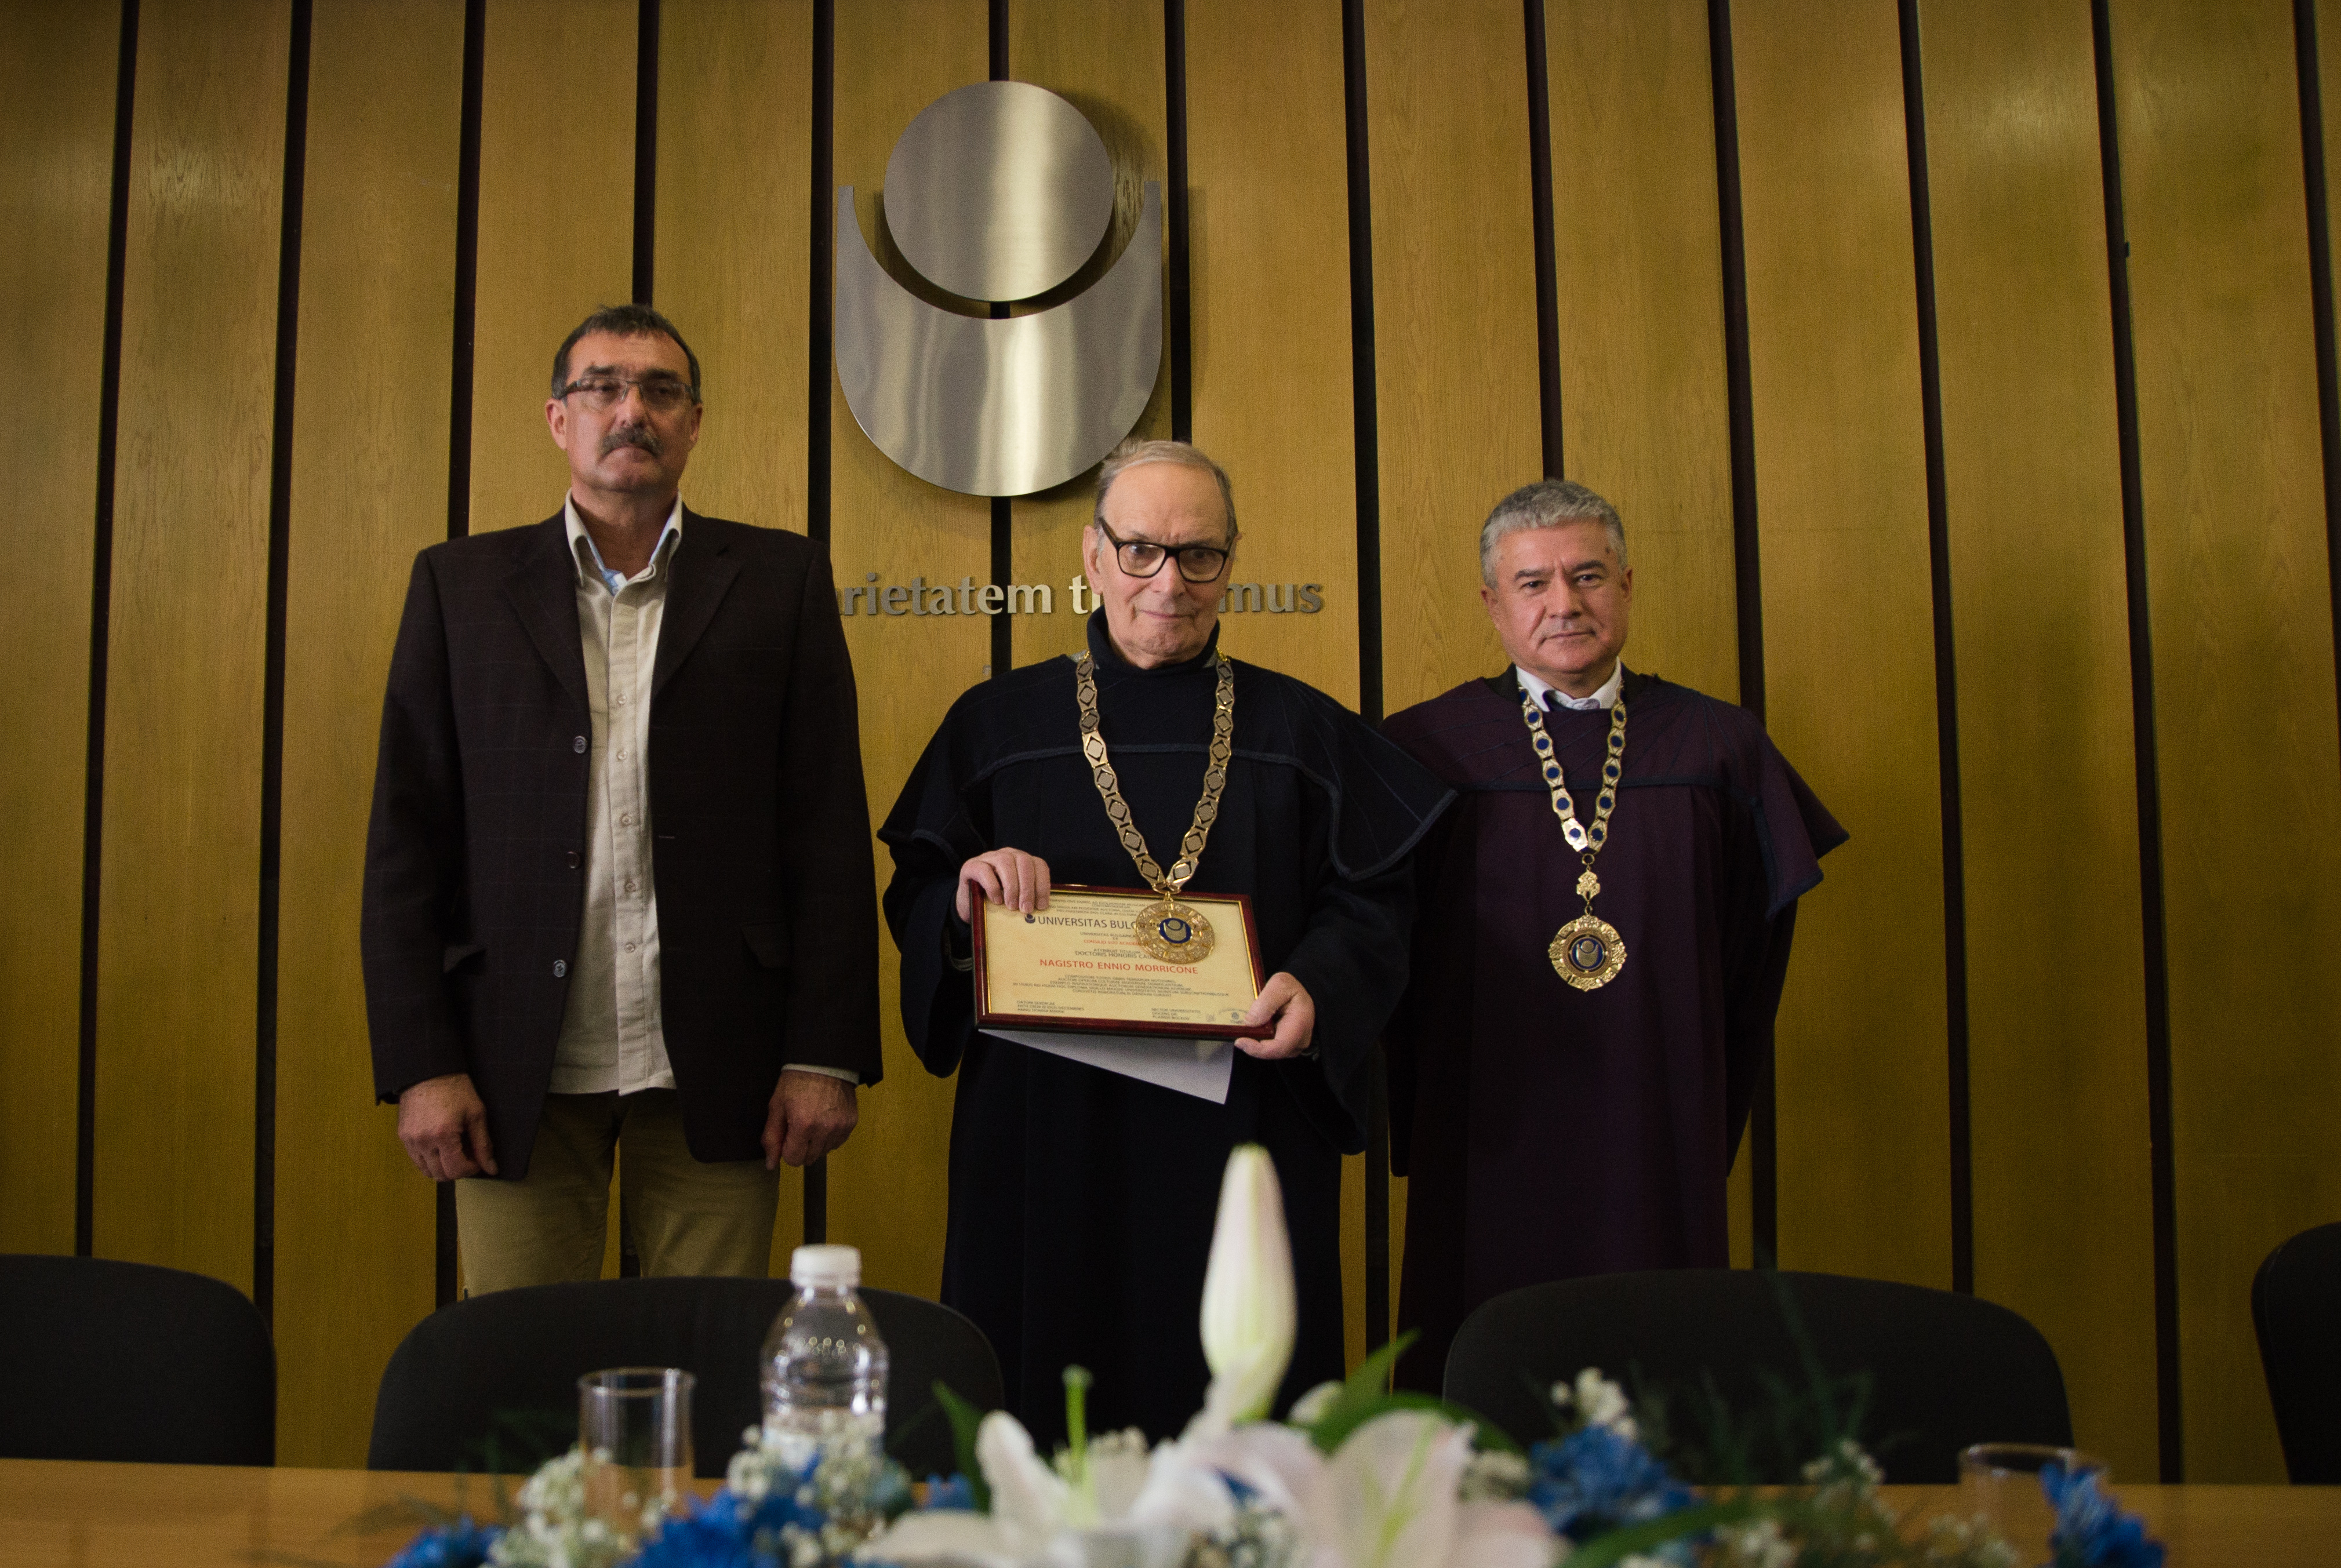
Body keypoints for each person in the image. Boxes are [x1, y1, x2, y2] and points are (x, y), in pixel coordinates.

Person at [879, 439, 1452, 1442]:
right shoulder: (997, 722)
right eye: (1140, 549)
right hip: (1046, 1130)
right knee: (1046, 1395)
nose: (1168, 582)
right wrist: (963, 911)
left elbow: (1374, 902)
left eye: (1198, 554)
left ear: (1231, 563)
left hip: (1245, 1123)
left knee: (1241, 1401)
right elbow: (921, 891)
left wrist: (1319, 986)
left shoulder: (1300, 728)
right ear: (1093, 556)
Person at [361, 303, 878, 1293]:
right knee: (516, 1360)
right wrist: (421, 1063)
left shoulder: (780, 581)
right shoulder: (460, 588)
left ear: (694, 422)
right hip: (509, 1064)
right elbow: (405, 844)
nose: (631, 409)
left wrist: (826, 1053)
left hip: (720, 1061)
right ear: (560, 418)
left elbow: (826, 833)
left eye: (660, 390)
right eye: (601, 387)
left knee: (709, 1350)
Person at [1382, 478, 1846, 1389]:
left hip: (1656, 1114)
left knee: (1658, 1354)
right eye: (1532, 583)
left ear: (1626, 586)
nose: (1563, 603)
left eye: (1587, 575)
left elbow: (1752, 962)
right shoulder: (1423, 749)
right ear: (1492, 603)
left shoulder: (1717, 746)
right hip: (1485, 1123)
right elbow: (1379, 951)